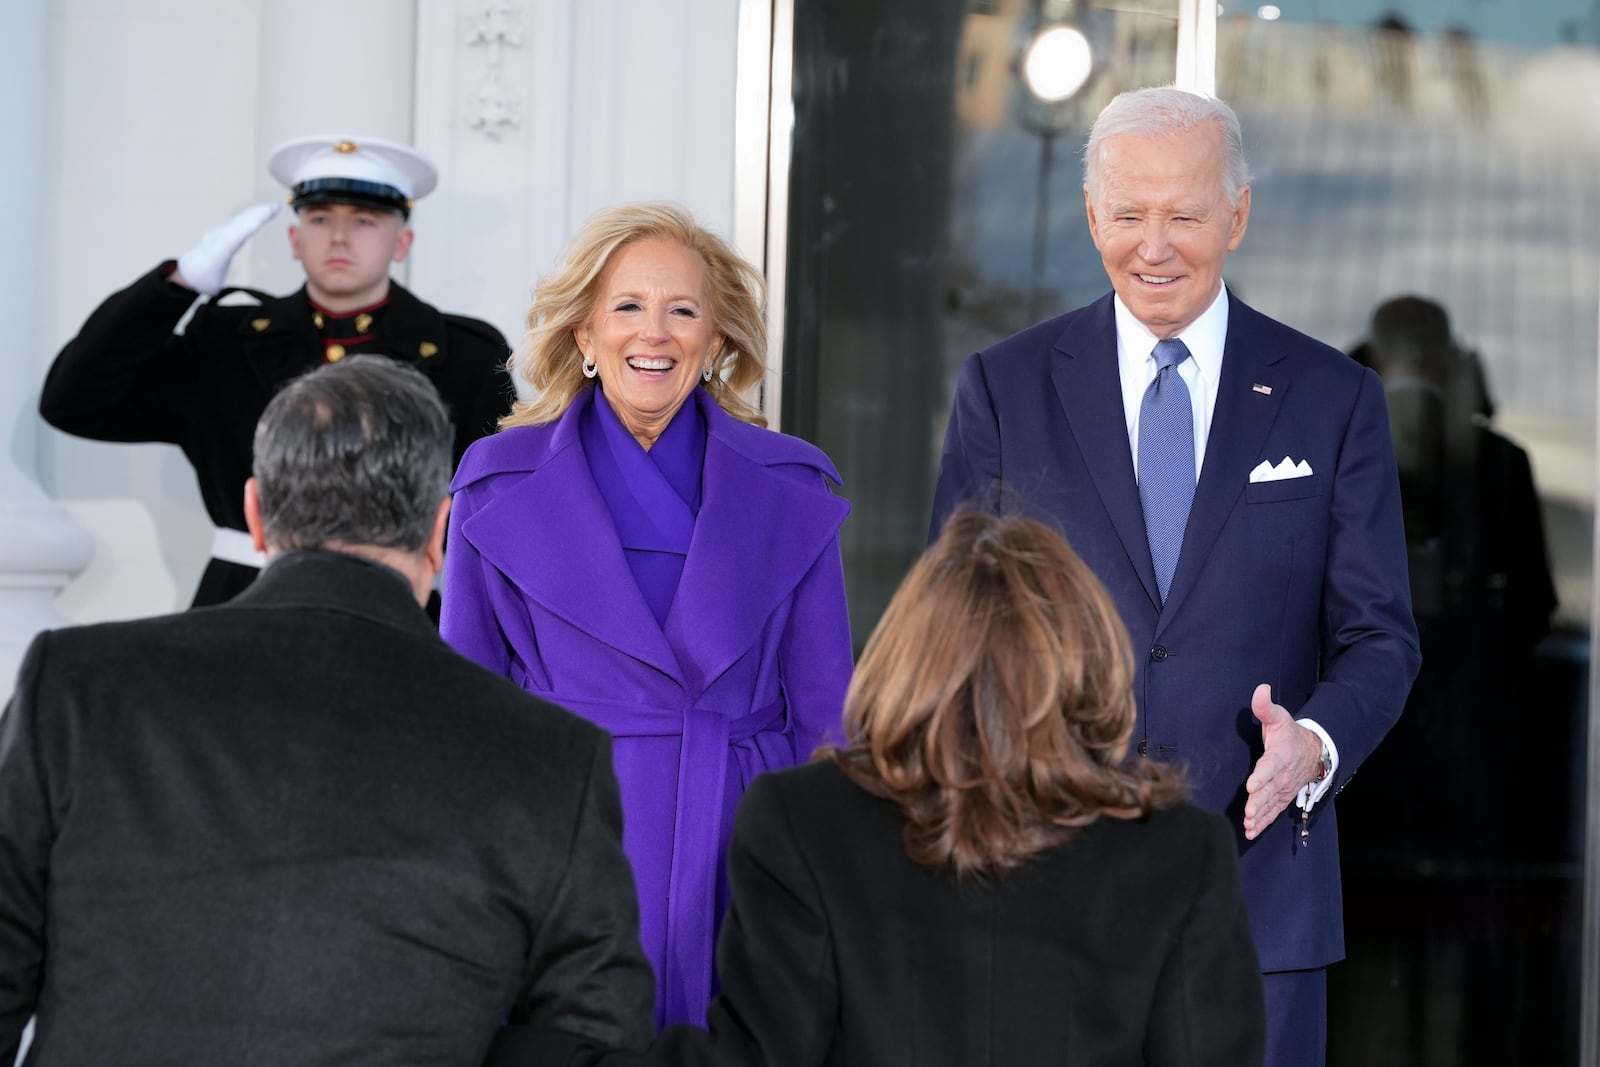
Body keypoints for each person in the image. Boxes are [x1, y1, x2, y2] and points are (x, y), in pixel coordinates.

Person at [928, 86, 1421, 1067]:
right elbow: (955, 625)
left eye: (1183, 215)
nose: (1152, 245)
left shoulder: (1333, 398)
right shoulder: (1005, 384)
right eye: (1127, 215)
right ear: (1089, 216)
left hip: (1258, 895)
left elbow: (1379, 636)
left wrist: (1313, 744)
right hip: (1044, 879)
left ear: (1235, 215)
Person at [0, 356, 653, 1065]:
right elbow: (592, 1037)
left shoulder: (75, 686)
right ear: (442, 530)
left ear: (255, 514)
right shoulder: (552, 755)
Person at [488, 510, 1268, 1067]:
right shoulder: (1180, 852)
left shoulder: (805, 822)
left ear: (905, 655)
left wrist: (522, 1041)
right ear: (1090, 657)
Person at [441, 202, 853, 1029]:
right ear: (585, 335)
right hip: (564, 842)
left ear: (719, 339)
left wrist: (830, 889)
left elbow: (828, 715)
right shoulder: (496, 480)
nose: (653, 334)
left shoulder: (794, 486)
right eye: (627, 306)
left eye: (683, 310)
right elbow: (465, 718)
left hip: (745, 840)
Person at [39, 134, 512, 607]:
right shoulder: (226, 342)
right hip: (249, 600)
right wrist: (177, 285)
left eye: (365, 221)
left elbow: (501, 500)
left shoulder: (464, 354)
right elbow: (74, 401)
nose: (339, 238)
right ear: (294, 237)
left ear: (402, 242)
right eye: (320, 218)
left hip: (409, 609)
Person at [1332, 295, 1556, 1064]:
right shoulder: (1500, 468)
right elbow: (1533, 606)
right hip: (1468, 767)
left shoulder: (1332, 458)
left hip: (1358, 767)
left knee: (1355, 965)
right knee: (1459, 974)